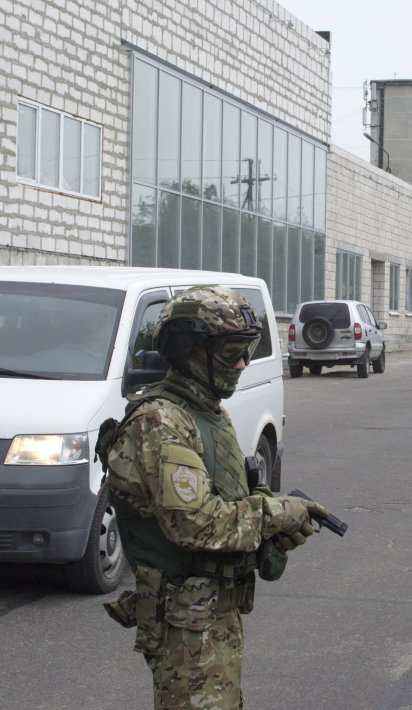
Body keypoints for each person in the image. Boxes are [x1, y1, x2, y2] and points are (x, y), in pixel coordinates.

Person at [105, 285, 328, 709]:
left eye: (248, 349)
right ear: (188, 349)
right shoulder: (161, 422)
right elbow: (198, 525)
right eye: (230, 351)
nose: (243, 363)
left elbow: (227, 498)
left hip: (211, 616)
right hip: (186, 625)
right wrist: (276, 513)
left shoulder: (206, 411)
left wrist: (270, 535)